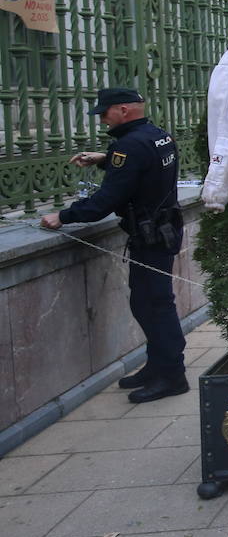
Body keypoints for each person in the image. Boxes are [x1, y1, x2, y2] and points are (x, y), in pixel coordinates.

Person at [40, 88, 187, 403]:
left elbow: (105, 201)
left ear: (123, 110)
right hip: (163, 230)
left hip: (150, 235)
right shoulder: (158, 136)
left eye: (105, 113)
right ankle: (158, 365)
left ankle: (173, 375)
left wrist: (63, 216)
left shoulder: (129, 145)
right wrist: (107, 159)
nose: (103, 119)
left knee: (155, 305)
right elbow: (145, 170)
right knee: (147, 302)